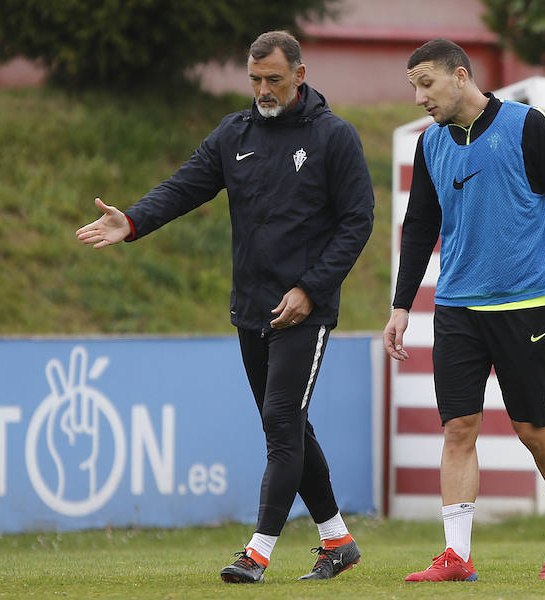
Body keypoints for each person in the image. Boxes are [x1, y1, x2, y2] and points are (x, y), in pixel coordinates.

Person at [76, 30, 373, 584]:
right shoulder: (234, 133)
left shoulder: (335, 138)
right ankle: (339, 542)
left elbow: (359, 222)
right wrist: (134, 221)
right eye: (255, 79)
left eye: (274, 80)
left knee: (281, 422)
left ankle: (256, 553)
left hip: (306, 311)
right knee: (289, 427)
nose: (263, 89)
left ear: (300, 76)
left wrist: (310, 289)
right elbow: (185, 186)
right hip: (252, 308)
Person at [384, 39, 545, 583]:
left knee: (532, 430)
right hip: (457, 306)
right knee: (459, 427)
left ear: (460, 76)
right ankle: (456, 555)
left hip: (523, 304)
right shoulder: (430, 144)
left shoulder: (528, 126)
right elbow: (419, 229)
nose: (418, 98)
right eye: (413, 86)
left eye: (426, 83)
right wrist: (400, 305)